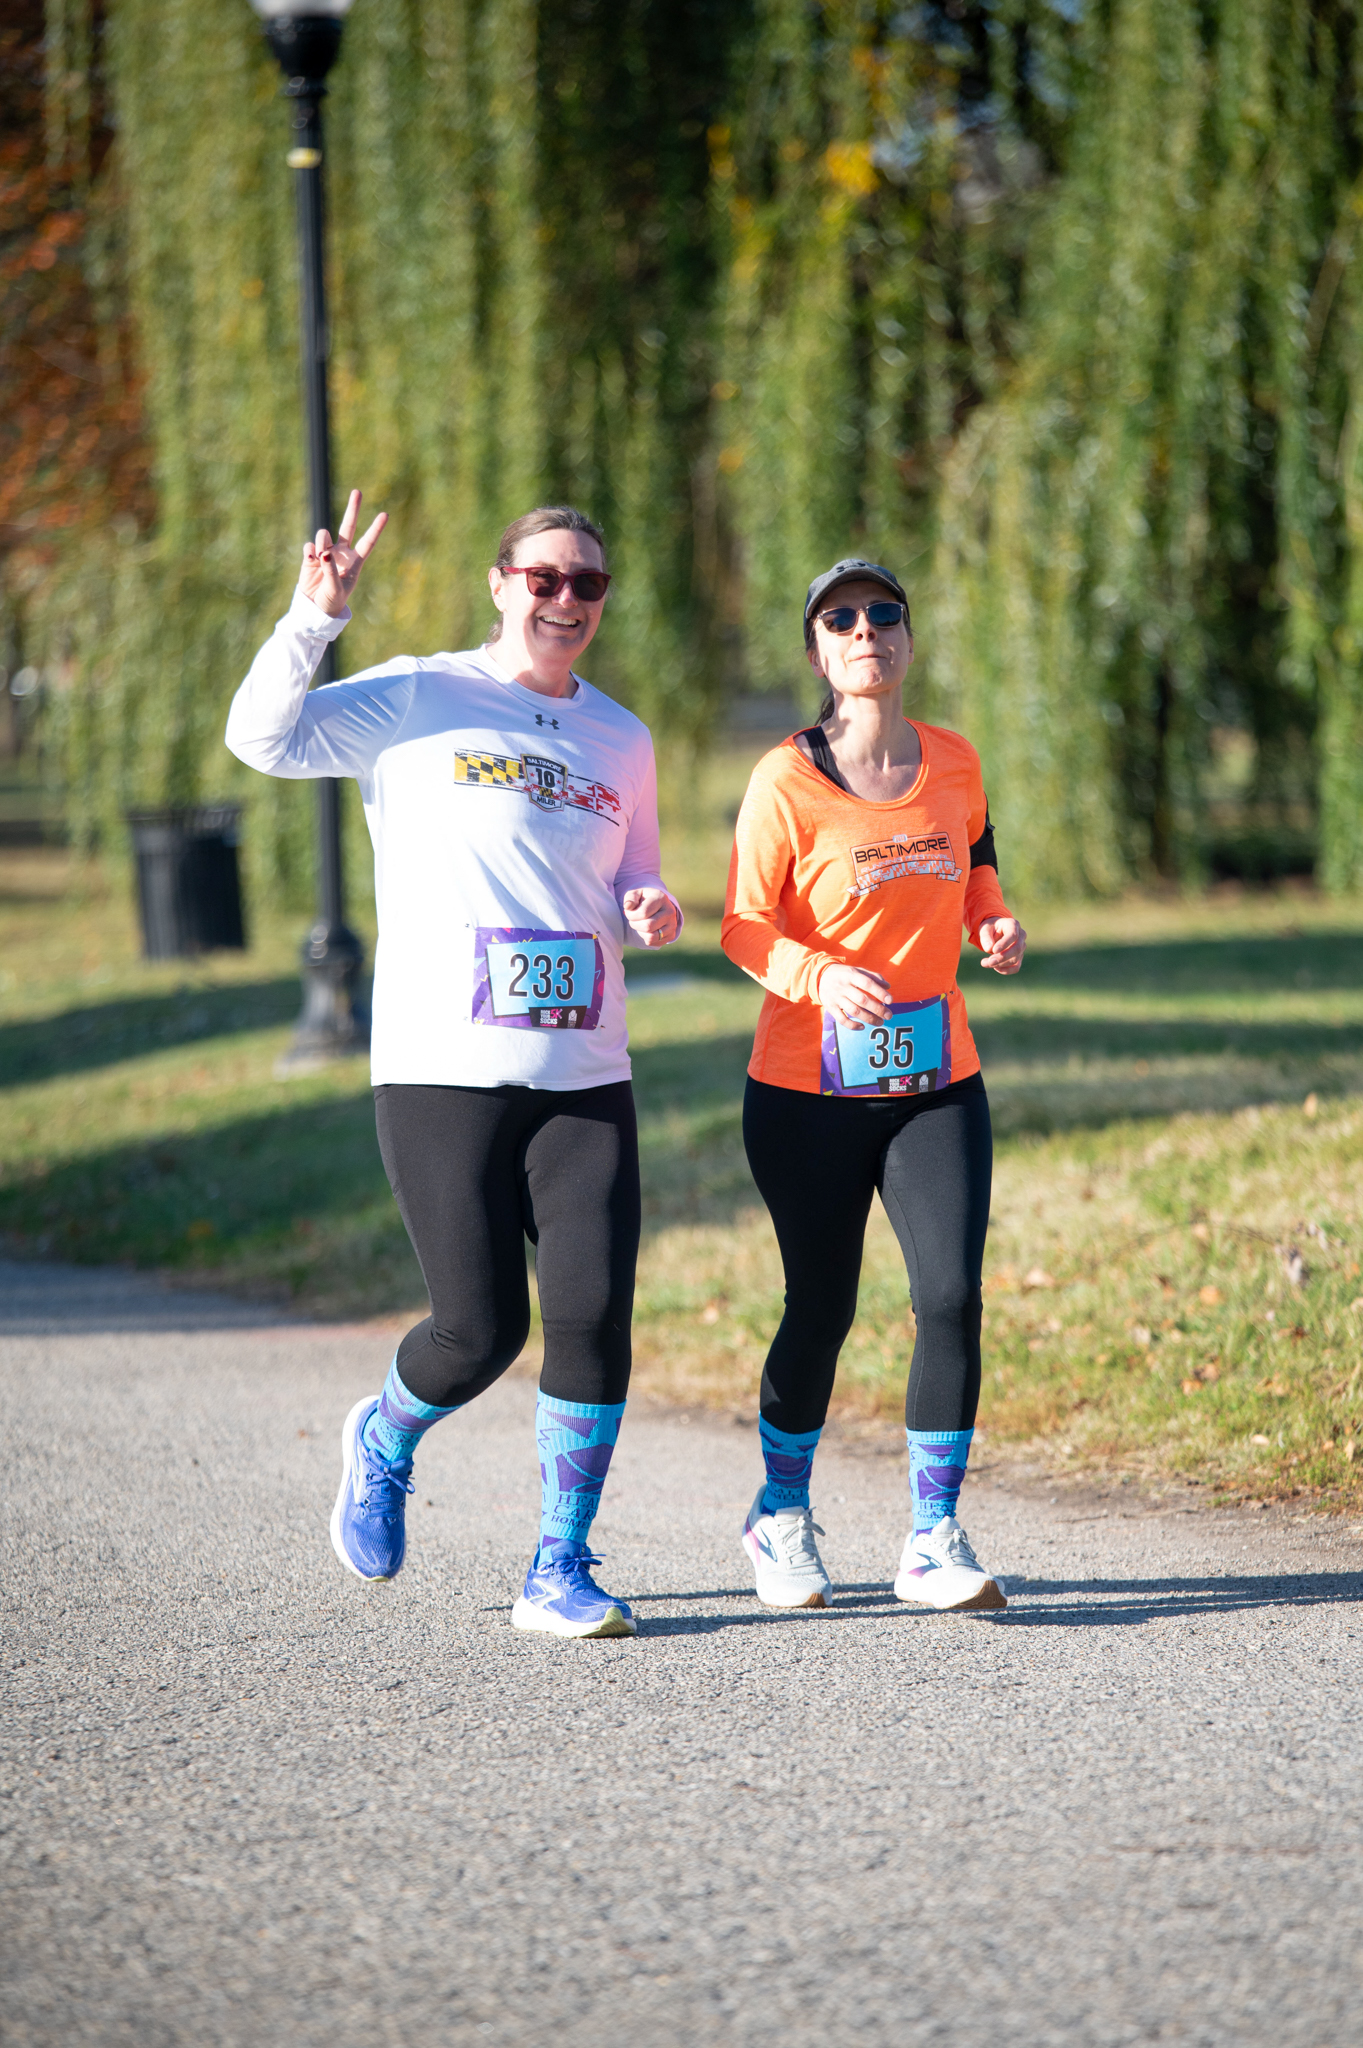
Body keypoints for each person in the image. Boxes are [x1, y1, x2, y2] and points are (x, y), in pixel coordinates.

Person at [226, 492, 682, 1639]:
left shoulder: (621, 736)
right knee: (478, 1330)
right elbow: (261, 739)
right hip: (441, 1064)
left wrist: (649, 902)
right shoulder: (418, 696)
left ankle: (559, 1565)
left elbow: (632, 872)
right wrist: (313, 617)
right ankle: (384, 1435)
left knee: (591, 1314)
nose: (566, 599)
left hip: (585, 1067)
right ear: (499, 583)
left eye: (588, 583)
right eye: (545, 577)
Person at [720, 558, 1026, 1613]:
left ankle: (932, 1538)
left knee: (949, 1296)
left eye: (882, 614)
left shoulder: (953, 758)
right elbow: (742, 924)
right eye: (839, 620)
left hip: (936, 1077)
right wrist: (817, 975)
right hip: (804, 1088)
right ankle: (779, 1513)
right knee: (822, 1305)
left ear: (907, 637)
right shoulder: (784, 779)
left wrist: (992, 919)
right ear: (817, 652)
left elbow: (974, 860)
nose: (865, 632)